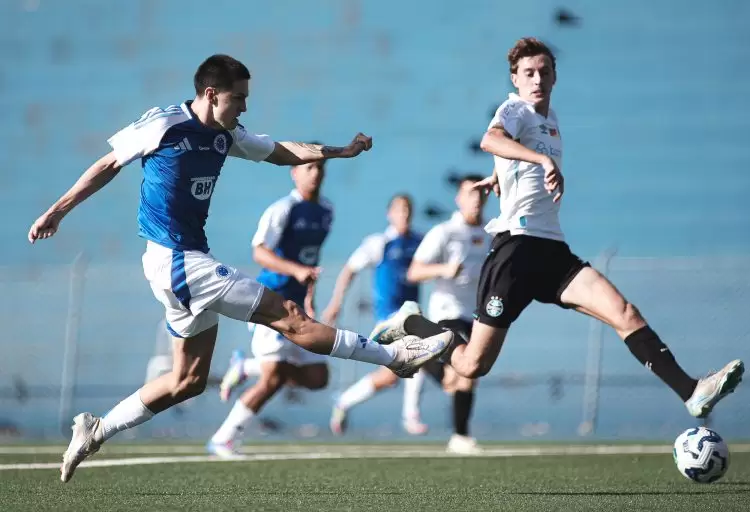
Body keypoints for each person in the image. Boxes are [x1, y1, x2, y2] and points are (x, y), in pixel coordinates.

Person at [27, 54, 453, 482]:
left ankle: (97, 429)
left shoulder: (226, 134)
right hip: (176, 261)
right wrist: (56, 212)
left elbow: (282, 151)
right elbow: (107, 164)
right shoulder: (164, 125)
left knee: (188, 379)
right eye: (239, 98)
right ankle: (395, 355)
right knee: (290, 318)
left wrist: (340, 151)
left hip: (184, 262)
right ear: (211, 94)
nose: (245, 107)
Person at [371, 38, 743, 422]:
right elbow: (491, 139)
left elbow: (508, 155)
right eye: (528, 73)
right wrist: (540, 162)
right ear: (515, 79)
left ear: (554, 77)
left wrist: (498, 177)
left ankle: (692, 391)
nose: (537, 79)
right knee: (471, 366)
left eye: (544, 72)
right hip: (514, 252)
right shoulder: (515, 108)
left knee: (624, 312)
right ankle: (415, 326)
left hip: (552, 251)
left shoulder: (551, 120)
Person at [208, 158, 334, 456]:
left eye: (320, 168)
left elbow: (310, 261)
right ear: (294, 173)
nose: (315, 173)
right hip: (272, 301)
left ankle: (245, 366)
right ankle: (223, 438)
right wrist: (295, 271)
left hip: (298, 306)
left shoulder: (326, 211)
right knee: (273, 378)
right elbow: (260, 252)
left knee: (318, 377)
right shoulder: (283, 210)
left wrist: (309, 298)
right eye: (309, 167)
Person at [322, 195, 429, 435]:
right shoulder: (378, 243)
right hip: (388, 317)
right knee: (420, 354)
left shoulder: (420, 242)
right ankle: (410, 415)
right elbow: (349, 270)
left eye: (408, 210)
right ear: (389, 214)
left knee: (390, 377)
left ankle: (344, 401)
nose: (404, 215)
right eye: (399, 210)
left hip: (412, 315)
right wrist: (336, 302)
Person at [404, 174, 491, 454]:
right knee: (468, 368)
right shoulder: (444, 232)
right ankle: (460, 436)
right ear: (459, 198)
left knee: (461, 377)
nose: (476, 199)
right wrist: (443, 269)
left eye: (481, 193)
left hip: (478, 316)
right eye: (470, 193)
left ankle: (421, 355)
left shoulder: (491, 233)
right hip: (448, 314)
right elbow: (414, 272)